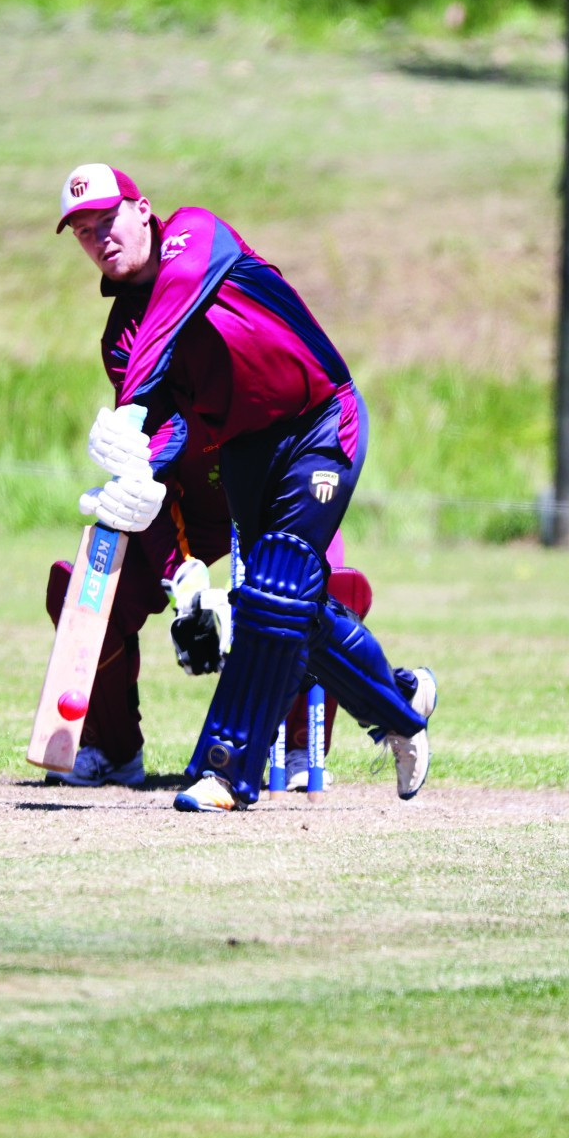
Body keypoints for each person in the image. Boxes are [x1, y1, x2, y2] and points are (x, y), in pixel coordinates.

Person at [58, 162, 437, 812]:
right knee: (285, 602)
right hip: (244, 450)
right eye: (84, 232)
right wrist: (142, 472)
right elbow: (171, 421)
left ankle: (226, 769)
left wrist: (126, 419)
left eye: (108, 220)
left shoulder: (195, 235)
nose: (99, 238)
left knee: (275, 587)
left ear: (142, 209)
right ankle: (400, 705)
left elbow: (172, 307)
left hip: (319, 418)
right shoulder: (118, 339)